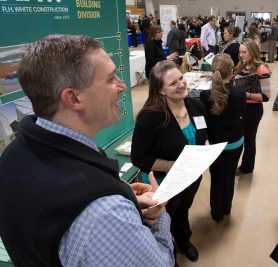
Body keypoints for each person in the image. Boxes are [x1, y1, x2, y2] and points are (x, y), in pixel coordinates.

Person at [0, 34, 175, 266]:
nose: (122, 86)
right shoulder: (104, 214)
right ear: (73, 98)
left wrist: (123, 196)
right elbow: (162, 262)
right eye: (111, 78)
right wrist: (159, 216)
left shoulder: (11, 157)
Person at [131, 61, 207, 263]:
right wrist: (175, 166)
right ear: (161, 91)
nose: (181, 84)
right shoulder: (151, 117)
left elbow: (201, 135)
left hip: (190, 178)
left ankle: (183, 240)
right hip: (164, 183)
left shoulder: (195, 105)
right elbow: (139, 158)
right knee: (162, 221)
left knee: (183, 210)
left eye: (181, 78)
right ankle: (167, 255)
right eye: (173, 83)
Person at [199, 54, 246, 223]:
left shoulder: (205, 96)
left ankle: (216, 212)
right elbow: (242, 115)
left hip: (215, 145)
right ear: (231, 72)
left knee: (217, 178)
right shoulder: (239, 93)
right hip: (235, 143)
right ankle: (226, 208)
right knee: (229, 176)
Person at [235, 39, 271, 175]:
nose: (241, 55)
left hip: (253, 110)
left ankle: (247, 167)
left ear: (252, 52)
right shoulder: (241, 66)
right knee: (240, 138)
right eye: (240, 52)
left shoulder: (261, 69)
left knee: (249, 139)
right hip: (241, 108)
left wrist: (247, 95)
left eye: (244, 52)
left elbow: (266, 97)